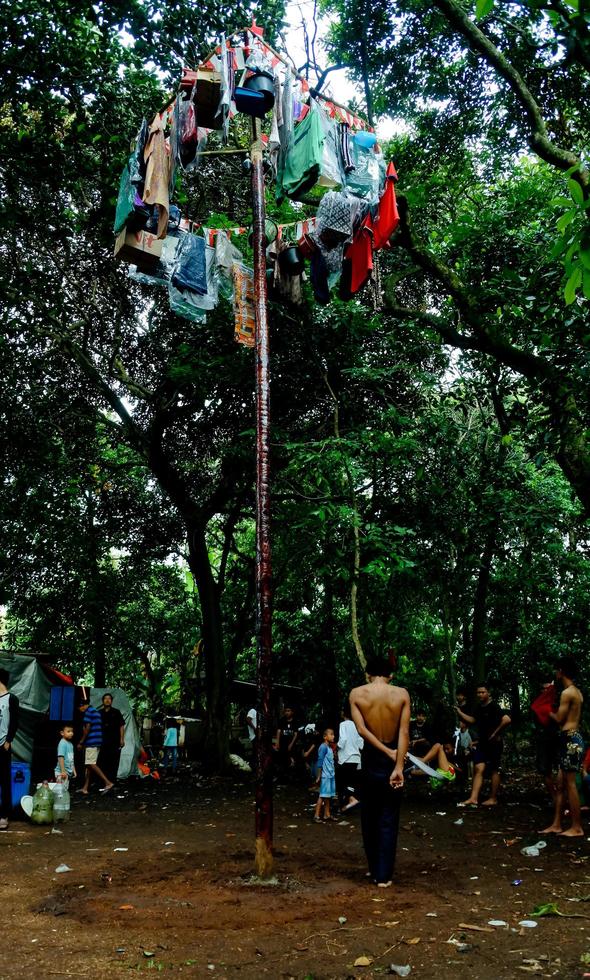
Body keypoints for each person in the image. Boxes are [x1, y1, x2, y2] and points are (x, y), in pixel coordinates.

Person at [349, 655, 410, 887]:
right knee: (389, 816)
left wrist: (384, 751)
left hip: (371, 758)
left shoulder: (356, 694)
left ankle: (374, 870)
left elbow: (362, 730)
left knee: (369, 816)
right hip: (395, 755)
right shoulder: (402, 694)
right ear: (390, 675)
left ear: (368, 674)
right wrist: (398, 765)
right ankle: (384, 876)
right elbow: (404, 732)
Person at [541, 656, 584, 837]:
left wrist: (545, 710)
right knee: (560, 784)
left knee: (570, 783)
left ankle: (577, 827)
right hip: (569, 739)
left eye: (556, 670)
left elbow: (559, 719)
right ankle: (557, 824)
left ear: (561, 671)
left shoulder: (568, 693)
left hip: (570, 739)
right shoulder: (576, 692)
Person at [456, 682, 511, 807]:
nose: (480, 694)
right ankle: (473, 798)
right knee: (478, 768)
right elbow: (472, 720)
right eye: (478, 692)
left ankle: (493, 798)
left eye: (482, 692)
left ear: (488, 693)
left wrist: (495, 733)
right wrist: (459, 712)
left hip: (494, 744)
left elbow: (507, 719)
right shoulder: (479, 707)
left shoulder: (494, 707)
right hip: (482, 743)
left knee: (493, 770)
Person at [77, 698, 113, 795]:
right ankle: (85, 788)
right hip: (97, 741)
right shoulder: (96, 711)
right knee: (89, 765)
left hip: (91, 741)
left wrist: (81, 741)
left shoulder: (88, 712)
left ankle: (108, 782)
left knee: (91, 763)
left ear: (82, 705)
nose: (79, 710)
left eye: (79, 708)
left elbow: (87, 728)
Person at [531, 680, 560, 804]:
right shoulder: (541, 705)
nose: (546, 692)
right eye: (544, 689)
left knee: (561, 768)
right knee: (546, 770)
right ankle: (555, 798)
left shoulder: (556, 704)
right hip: (544, 741)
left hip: (557, 740)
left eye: (549, 689)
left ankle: (560, 797)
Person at [0, 667, 20, 831]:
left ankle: (4, 815)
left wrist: (8, 741)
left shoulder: (11, 699)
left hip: (3, 746)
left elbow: (15, 722)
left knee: (5, 781)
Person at [337, 705, 363, 813]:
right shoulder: (356, 725)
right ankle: (348, 805)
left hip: (346, 757)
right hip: (356, 757)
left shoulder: (343, 724)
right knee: (351, 782)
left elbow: (343, 739)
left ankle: (349, 802)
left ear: (344, 713)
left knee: (342, 783)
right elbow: (361, 742)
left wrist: (337, 747)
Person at [98, 693, 125, 784]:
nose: (107, 700)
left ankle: (112, 780)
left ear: (112, 701)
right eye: (105, 698)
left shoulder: (116, 712)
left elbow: (121, 726)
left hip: (114, 741)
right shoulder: (99, 713)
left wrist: (122, 739)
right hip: (102, 741)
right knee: (102, 760)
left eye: (109, 698)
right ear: (103, 701)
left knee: (113, 761)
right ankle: (104, 781)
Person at [313, 728, 337, 823]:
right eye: (331, 734)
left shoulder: (329, 748)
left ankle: (327, 814)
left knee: (327, 796)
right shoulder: (323, 747)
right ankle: (316, 815)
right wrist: (318, 776)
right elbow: (320, 762)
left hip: (330, 775)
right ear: (325, 737)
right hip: (325, 776)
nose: (333, 736)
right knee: (322, 796)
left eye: (333, 734)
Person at [275, 706, 298, 778]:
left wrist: (291, 744)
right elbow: (278, 731)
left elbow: (295, 734)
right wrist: (277, 742)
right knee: (283, 759)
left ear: (292, 712)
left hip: (291, 743)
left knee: (292, 760)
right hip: (283, 743)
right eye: (286, 711)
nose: (287, 712)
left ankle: (291, 776)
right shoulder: (282, 720)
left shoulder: (295, 721)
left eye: (288, 711)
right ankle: (283, 776)